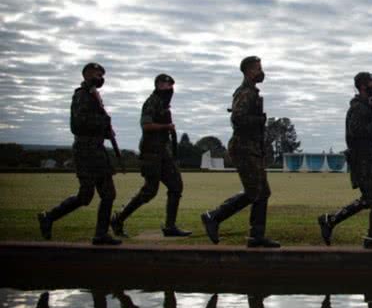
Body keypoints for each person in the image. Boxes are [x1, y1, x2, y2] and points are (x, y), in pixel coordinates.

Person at [38, 62, 121, 245]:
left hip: (97, 150)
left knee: (108, 194)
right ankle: (49, 217)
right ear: (86, 75)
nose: (99, 79)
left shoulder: (94, 96)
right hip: (85, 151)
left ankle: (101, 234)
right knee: (85, 196)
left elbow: (95, 123)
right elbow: (77, 124)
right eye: (96, 75)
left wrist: (107, 131)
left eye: (101, 75)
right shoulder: (82, 95)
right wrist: (103, 122)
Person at [202, 56, 279, 248]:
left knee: (262, 192)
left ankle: (256, 236)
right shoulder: (245, 93)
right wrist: (259, 120)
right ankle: (214, 216)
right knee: (255, 191)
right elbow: (237, 119)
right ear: (248, 71)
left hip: (252, 148)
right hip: (243, 147)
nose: (261, 72)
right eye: (258, 69)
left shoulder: (252, 92)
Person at [318, 72, 372, 249]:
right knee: (370, 199)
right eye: (371, 84)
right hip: (362, 161)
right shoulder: (358, 108)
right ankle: (330, 220)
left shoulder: (366, 105)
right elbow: (354, 132)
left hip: (371, 160)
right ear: (361, 86)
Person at [111, 74, 190, 238]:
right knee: (149, 191)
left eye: (171, 85)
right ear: (158, 85)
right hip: (151, 152)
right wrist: (166, 126)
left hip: (162, 152)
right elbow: (146, 125)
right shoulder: (152, 102)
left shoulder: (164, 104)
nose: (170, 88)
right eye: (166, 85)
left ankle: (170, 227)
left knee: (176, 186)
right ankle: (118, 219)